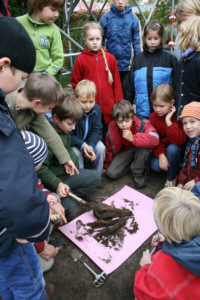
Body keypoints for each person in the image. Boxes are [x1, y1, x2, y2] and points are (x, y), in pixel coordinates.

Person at [0, 16, 52, 299]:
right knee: (31, 287)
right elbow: (16, 196)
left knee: (6, 282)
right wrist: (41, 223)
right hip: (7, 235)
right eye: (21, 78)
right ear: (4, 64)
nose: (20, 84)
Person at [37, 94, 101, 220]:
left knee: (96, 177)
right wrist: (57, 184)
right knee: (73, 209)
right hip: (55, 181)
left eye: (76, 123)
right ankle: (62, 196)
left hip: (67, 177)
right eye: (70, 123)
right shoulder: (46, 138)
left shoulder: (63, 130)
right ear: (55, 118)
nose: (73, 128)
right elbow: (40, 169)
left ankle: (68, 194)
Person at [6, 72, 78, 176]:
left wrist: (65, 159)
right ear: (37, 103)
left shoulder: (33, 110)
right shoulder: (5, 105)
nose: (50, 111)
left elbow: (49, 134)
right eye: (50, 108)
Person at [134, 187, 200, 300]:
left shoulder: (162, 267)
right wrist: (167, 240)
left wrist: (146, 267)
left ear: (161, 227)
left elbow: (144, 294)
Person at [21, 130, 67, 273]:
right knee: (47, 263)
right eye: (39, 163)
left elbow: (38, 185)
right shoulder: (13, 192)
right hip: (14, 237)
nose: (41, 166)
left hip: (26, 223)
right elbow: (20, 226)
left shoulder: (24, 172)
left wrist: (49, 199)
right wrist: (41, 247)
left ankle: (42, 238)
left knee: (55, 198)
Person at [71, 21, 123, 142]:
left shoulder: (110, 58)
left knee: (109, 139)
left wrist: (118, 105)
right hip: (90, 110)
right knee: (92, 137)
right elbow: (75, 83)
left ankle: (108, 160)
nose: (95, 42)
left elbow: (117, 85)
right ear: (85, 40)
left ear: (102, 39)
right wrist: (81, 104)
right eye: (91, 39)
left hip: (110, 110)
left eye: (98, 39)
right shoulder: (81, 60)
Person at [126, 20, 178, 118]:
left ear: (161, 37)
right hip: (142, 114)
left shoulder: (170, 59)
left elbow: (176, 86)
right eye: (149, 38)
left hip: (165, 114)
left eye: (156, 38)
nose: (152, 42)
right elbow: (130, 88)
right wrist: (127, 109)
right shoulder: (138, 60)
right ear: (144, 38)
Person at [103, 100, 159, 188]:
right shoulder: (112, 128)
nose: (124, 124)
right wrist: (107, 166)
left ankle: (138, 172)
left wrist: (133, 138)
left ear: (132, 117)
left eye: (127, 120)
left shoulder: (143, 123)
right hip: (126, 152)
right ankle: (132, 165)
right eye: (120, 122)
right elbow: (109, 149)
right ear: (115, 121)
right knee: (111, 173)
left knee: (144, 146)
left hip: (140, 149)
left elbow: (155, 139)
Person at [100, 0, 142, 95]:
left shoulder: (133, 19)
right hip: (110, 67)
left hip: (128, 67)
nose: (120, 2)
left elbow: (138, 45)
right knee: (111, 93)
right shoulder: (105, 18)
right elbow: (100, 43)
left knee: (127, 94)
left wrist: (137, 65)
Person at [149, 84, 187, 188]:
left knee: (172, 149)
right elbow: (154, 138)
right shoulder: (152, 117)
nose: (157, 110)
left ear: (172, 103)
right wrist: (161, 155)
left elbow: (179, 140)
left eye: (162, 106)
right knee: (155, 166)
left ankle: (171, 178)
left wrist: (168, 122)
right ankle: (170, 165)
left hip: (175, 149)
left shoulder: (178, 116)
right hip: (162, 148)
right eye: (154, 105)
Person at [17, 0, 64, 76]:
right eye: (53, 9)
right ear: (38, 4)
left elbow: (59, 59)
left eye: (58, 10)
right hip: (17, 75)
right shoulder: (17, 22)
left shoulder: (54, 31)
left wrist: (46, 74)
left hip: (41, 76)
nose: (56, 15)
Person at [70, 80, 105, 174]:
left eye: (91, 101)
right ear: (76, 98)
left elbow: (96, 130)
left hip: (89, 141)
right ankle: (81, 176)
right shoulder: (71, 111)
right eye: (83, 102)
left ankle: (96, 175)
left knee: (101, 149)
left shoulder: (96, 109)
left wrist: (90, 146)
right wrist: (82, 145)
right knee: (76, 154)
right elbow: (68, 135)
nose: (88, 105)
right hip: (75, 143)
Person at [176, 15, 200, 119]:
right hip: (185, 118)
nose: (178, 36)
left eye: (181, 33)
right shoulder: (183, 60)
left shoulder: (197, 61)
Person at [177, 102, 200, 195]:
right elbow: (186, 166)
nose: (188, 127)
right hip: (193, 181)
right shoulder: (192, 143)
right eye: (185, 123)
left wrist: (196, 181)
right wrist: (181, 183)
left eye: (192, 121)